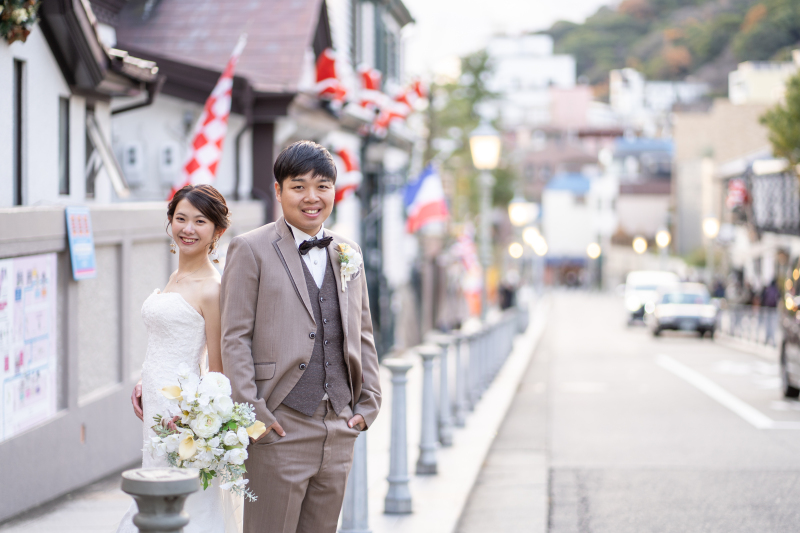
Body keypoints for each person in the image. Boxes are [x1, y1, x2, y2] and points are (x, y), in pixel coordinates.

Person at [220, 141, 381, 533]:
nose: (312, 197)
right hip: (280, 425)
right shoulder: (250, 249)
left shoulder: (348, 251)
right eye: (299, 186)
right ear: (278, 191)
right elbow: (234, 338)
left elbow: (362, 331)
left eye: (322, 186)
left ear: (334, 191)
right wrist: (254, 414)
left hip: (340, 425)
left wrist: (368, 403)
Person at [121, 185, 240, 533]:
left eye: (200, 221)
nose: (188, 228)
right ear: (170, 221)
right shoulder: (175, 277)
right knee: (156, 488)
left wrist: (197, 421)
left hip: (182, 414)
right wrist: (147, 381)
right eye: (181, 218)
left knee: (180, 496)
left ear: (217, 231)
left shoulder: (212, 288)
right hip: (156, 403)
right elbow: (166, 342)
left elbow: (217, 369)